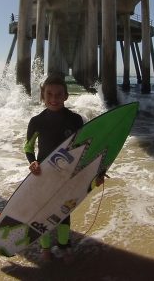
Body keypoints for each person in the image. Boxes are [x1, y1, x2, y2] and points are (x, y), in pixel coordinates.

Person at [24, 74, 103, 263]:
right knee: (43, 212)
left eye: (59, 94)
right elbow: (28, 147)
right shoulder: (37, 121)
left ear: (66, 96)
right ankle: (44, 247)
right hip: (43, 174)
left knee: (63, 212)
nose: (54, 98)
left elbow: (86, 148)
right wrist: (32, 161)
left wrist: (97, 172)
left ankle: (64, 245)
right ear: (42, 96)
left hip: (67, 174)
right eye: (49, 94)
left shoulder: (75, 120)